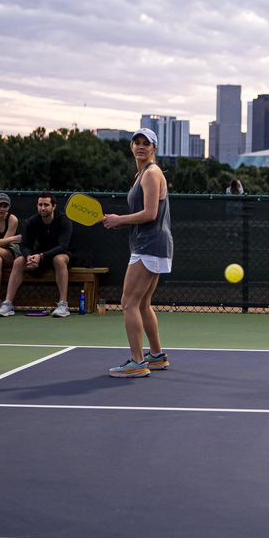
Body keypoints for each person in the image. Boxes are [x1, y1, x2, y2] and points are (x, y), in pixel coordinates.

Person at [101, 127, 173, 377]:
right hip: (152, 244)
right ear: (132, 147)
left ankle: (137, 362)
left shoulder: (151, 173)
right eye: (137, 142)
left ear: (154, 148)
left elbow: (151, 213)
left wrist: (119, 220)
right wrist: (117, 221)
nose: (141, 146)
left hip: (150, 244)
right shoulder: (141, 174)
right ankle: (156, 356)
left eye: (146, 143)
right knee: (142, 303)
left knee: (128, 303)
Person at [0, 192, 74, 317]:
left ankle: (63, 305)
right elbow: (25, 245)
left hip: (61, 255)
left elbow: (63, 246)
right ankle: (8, 304)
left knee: (59, 259)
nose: (42, 208)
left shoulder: (64, 221)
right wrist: (28, 257)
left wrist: (41, 256)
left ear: (53, 206)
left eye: (46, 205)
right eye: (40, 204)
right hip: (39, 257)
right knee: (18, 261)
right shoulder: (32, 221)